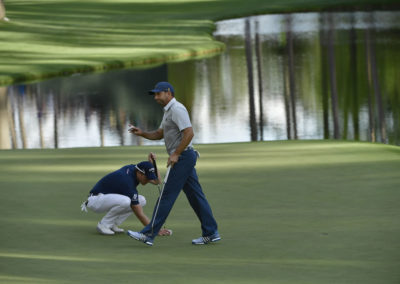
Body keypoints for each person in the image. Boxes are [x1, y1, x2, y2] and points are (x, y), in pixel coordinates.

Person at [127, 81, 220, 246]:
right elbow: (159, 134)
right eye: (154, 94)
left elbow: (189, 133)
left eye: (158, 94)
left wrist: (176, 154)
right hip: (184, 157)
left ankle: (148, 234)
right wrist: (142, 133)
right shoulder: (168, 111)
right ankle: (211, 232)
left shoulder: (177, 109)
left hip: (183, 157)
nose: (155, 97)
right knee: (196, 197)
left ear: (168, 92)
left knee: (166, 195)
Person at [80, 153, 171, 236]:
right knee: (126, 201)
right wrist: (154, 230)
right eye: (147, 178)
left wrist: (152, 164)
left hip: (106, 198)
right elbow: (139, 213)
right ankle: (104, 225)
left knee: (141, 200)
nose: (148, 181)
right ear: (140, 173)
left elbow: (157, 181)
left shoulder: (134, 169)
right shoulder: (127, 182)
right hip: (96, 200)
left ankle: (113, 223)